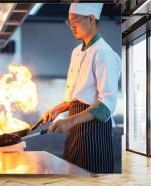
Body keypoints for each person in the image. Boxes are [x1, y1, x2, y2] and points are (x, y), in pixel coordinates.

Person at [43, 3, 121, 173]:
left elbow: (106, 105)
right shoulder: (76, 51)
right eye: (69, 22)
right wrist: (59, 108)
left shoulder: (103, 53)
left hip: (94, 127)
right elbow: (78, 95)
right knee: (72, 175)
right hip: (76, 125)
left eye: (75, 21)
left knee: (92, 181)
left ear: (91, 19)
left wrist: (70, 121)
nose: (72, 27)